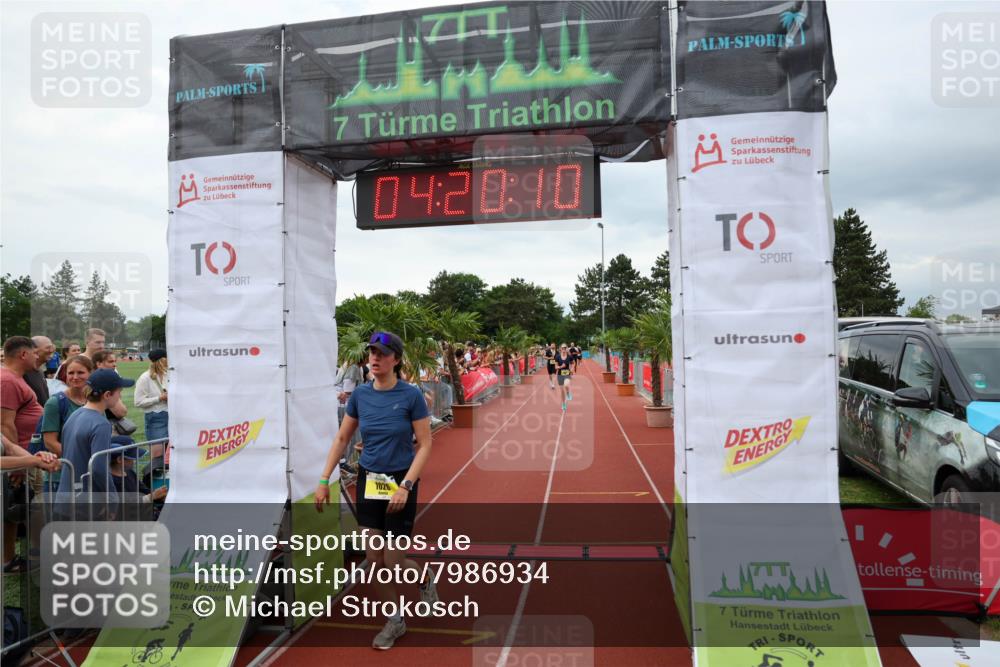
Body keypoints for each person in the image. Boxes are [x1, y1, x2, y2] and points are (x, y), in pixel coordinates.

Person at [315, 331, 436, 650]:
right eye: (372, 352)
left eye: (382, 353)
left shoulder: (410, 395)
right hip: (370, 480)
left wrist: (406, 487)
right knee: (375, 558)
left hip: (401, 480)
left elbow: (425, 445)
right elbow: (342, 440)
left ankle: (423, 579)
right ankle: (395, 620)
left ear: (396, 359)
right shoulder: (361, 395)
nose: (375, 357)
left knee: (395, 561)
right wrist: (324, 479)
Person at [57, 369, 135, 501]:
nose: (119, 397)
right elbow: (99, 468)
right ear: (107, 395)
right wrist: (112, 498)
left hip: (65, 494)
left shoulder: (76, 414)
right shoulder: (101, 424)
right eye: (119, 392)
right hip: (85, 500)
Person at [39, 355, 94, 487]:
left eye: (80, 372)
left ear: (91, 374)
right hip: (61, 477)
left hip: (87, 474)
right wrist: (80, 459)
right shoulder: (55, 402)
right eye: (71, 373)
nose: (75, 377)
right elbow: (50, 442)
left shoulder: (94, 401)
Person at [1, 337, 43, 450]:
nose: (37, 357)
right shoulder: (7, 381)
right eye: (35, 353)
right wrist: (19, 461)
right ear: (24, 354)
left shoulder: (14, 377)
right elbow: (4, 425)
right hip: (23, 454)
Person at [134, 350, 169, 442]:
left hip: (172, 416)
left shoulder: (169, 375)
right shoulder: (145, 378)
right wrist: (159, 398)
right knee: (158, 452)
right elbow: (138, 402)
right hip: (155, 417)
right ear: (162, 360)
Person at [24, 336, 55, 406]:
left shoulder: (40, 371)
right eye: (48, 348)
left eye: (52, 347)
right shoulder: (23, 372)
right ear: (34, 349)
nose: (51, 350)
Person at [555, 344, 574, 411]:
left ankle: (568, 394)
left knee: (566, 385)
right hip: (560, 375)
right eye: (562, 348)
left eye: (565, 348)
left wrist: (571, 369)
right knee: (562, 391)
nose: (564, 349)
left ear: (566, 349)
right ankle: (563, 404)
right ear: (560, 349)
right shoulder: (557, 357)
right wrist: (560, 367)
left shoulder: (569, 357)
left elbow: (572, 363)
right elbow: (556, 367)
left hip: (567, 373)